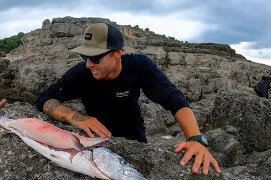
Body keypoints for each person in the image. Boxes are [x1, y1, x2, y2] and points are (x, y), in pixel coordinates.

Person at [35, 23, 220, 175]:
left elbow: (173, 98)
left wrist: (196, 139)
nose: (88, 64)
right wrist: (77, 118)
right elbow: (44, 99)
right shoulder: (82, 73)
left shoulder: (139, 66)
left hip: (135, 139)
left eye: (95, 58)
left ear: (117, 54)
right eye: (85, 56)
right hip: (98, 143)